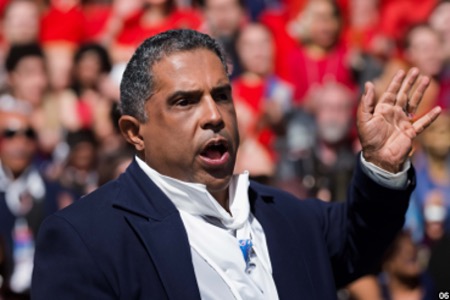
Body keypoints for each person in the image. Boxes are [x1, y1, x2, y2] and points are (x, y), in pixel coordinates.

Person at [31, 29, 441, 299]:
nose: (214, 115)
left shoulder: (288, 216)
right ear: (134, 131)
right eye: (184, 101)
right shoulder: (85, 238)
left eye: (222, 95)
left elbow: (362, 244)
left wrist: (381, 167)